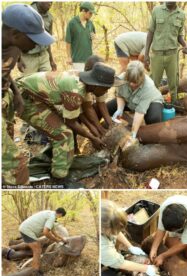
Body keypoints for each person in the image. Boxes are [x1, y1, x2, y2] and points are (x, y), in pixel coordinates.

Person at [17, 63, 123, 184]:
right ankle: (59, 177)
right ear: (96, 85)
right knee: (64, 134)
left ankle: (57, 159)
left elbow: (86, 108)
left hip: (36, 96)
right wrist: (92, 137)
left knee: (59, 128)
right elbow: (71, 122)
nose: (108, 90)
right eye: (106, 87)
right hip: (24, 99)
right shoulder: (76, 91)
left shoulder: (83, 82)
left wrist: (98, 130)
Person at [2, 4, 55, 186]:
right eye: (33, 39)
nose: (37, 44)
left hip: (5, 98)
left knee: (8, 140)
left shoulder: (14, 45)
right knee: (16, 163)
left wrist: (15, 93)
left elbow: (5, 71)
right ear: (16, 34)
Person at [101, 200, 159, 276]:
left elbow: (116, 230)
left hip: (105, 254)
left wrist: (130, 246)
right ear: (104, 229)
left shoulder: (106, 218)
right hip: (102, 256)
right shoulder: (103, 246)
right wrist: (146, 269)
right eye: (114, 230)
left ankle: (108, 263)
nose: (119, 231)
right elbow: (121, 263)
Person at [108, 61, 163, 149]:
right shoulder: (121, 78)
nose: (131, 84)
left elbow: (140, 112)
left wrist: (133, 134)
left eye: (135, 82)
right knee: (108, 107)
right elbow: (120, 95)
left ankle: (152, 140)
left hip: (152, 101)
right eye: (129, 81)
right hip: (130, 100)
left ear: (142, 78)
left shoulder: (148, 86)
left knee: (153, 118)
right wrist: (120, 109)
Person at [144, 2, 187, 104]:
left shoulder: (181, 14)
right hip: (157, 55)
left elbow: (179, 35)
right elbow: (150, 33)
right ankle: (152, 104)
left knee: (173, 82)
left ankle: (173, 104)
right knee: (153, 82)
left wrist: (185, 46)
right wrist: (146, 54)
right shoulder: (157, 10)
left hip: (172, 55)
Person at [18, 208, 67, 276]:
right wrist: (56, 240)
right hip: (27, 230)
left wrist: (61, 238)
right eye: (60, 217)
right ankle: (35, 273)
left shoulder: (50, 213)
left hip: (25, 228)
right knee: (37, 250)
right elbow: (46, 232)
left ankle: (36, 269)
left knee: (38, 249)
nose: (59, 218)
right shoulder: (52, 217)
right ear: (60, 214)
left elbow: (52, 231)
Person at [150, 195, 187, 267]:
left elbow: (183, 244)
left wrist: (163, 256)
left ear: (185, 222)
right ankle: (173, 236)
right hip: (180, 223)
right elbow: (161, 229)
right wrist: (153, 249)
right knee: (170, 245)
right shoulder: (165, 208)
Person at [18, 2, 57, 75]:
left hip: (44, 56)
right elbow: (17, 37)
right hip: (29, 58)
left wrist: (51, 60)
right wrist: (19, 59)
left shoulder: (49, 17)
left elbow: (48, 40)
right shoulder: (26, 13)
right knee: (28, 84)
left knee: (47, 83)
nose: (50, 3)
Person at [66, 2, 96, 71]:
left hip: (89, 60)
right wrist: (68, 57)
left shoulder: (90, 23)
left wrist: (94, 36)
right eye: (90, 13)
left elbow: (94, 34)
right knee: (79, 80)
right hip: (77, 60)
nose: (91, 15)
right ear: (83, 11)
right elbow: (68, 42)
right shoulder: (72, 23)